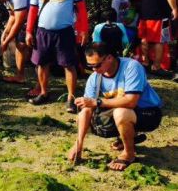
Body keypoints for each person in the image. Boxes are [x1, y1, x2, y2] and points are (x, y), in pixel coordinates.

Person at [68, 43, 163, 171]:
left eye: (97, 65)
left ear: (109, 58)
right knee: (82, 116)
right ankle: (129, 136)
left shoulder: (131, 67)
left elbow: (131, 102)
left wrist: (98, 102)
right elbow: (86, 109)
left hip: (149, 112)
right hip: (126, 112)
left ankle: (129, 154)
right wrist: (78, 145)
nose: (94, 69)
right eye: (90, 66)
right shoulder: (94, 78)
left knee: (121, 113)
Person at [25, 0, 89, 113]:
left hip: (64, 32)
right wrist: (28, 31)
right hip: (42, 32)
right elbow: (32, 11)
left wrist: (83, 30)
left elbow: (81, 9)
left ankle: (71, 98)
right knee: (42, 63)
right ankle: (44, 93)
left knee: (69, 65)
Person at [134, 0, 177, 77]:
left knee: (144, 38)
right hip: (160, 13)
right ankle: (156, 67)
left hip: (144, 13)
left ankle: (146, 62)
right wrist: (174, 8)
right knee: (160, 40)